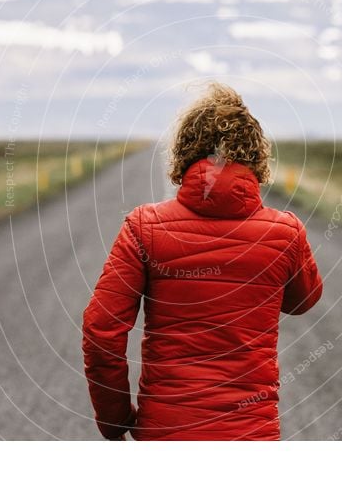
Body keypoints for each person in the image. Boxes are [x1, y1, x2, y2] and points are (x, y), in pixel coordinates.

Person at [82, 82, 323, 440]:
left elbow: (101, 331)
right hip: (250, 435)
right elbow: (303, 301)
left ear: (183, 152)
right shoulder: (285, 233)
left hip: (165, 432)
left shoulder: (143, 227)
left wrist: (115, 419)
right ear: (256, 156)